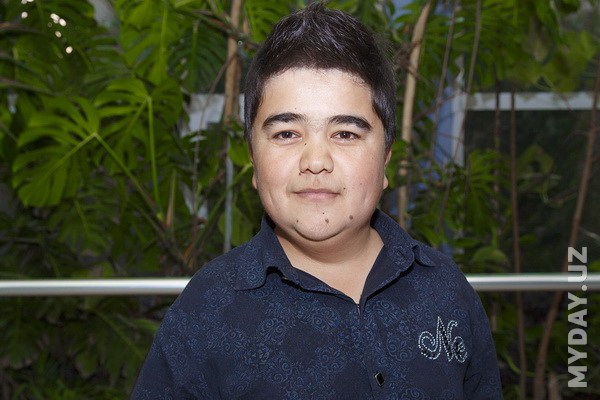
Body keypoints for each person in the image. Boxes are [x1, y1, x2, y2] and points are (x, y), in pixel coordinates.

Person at [131, 2, 502, 399]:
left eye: (345, 134)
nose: (316, 161)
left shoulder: (446, 290)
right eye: (287, 134)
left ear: (386, 160)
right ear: (253, 160)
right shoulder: (205, 311)